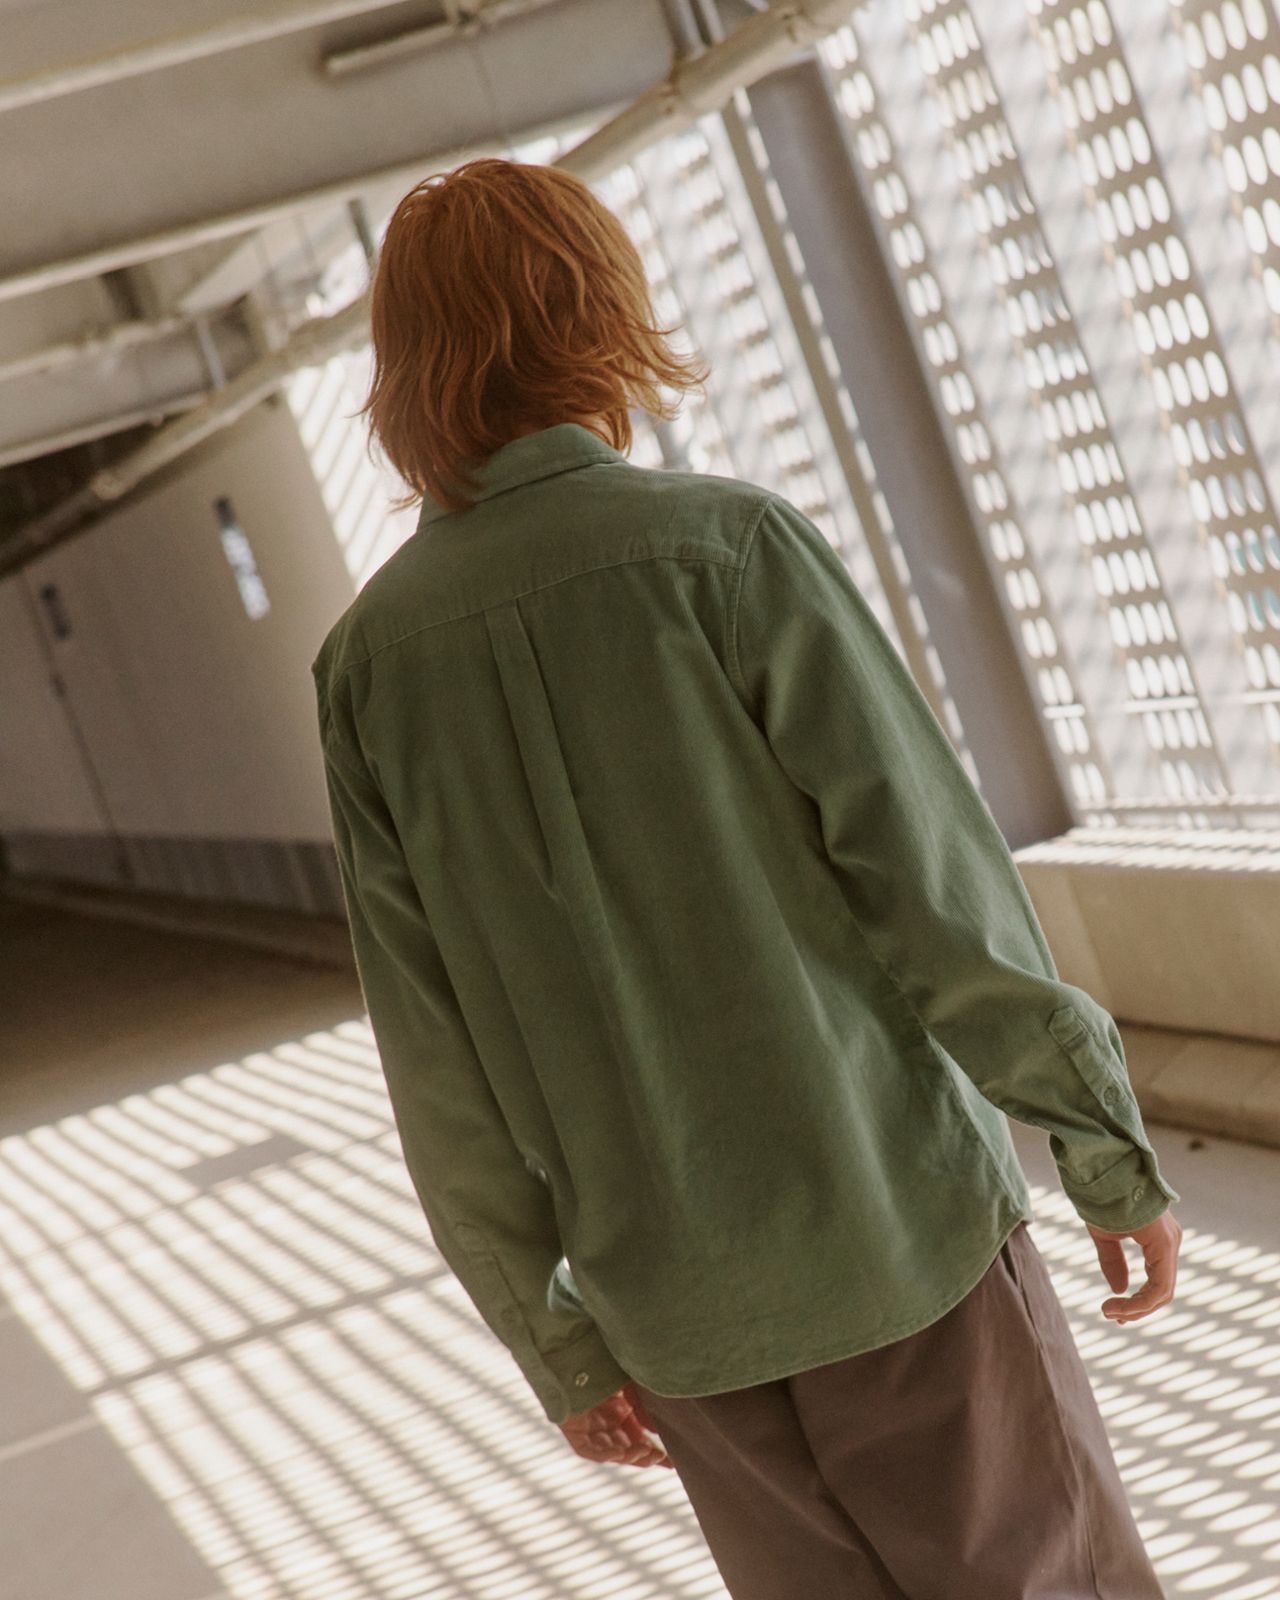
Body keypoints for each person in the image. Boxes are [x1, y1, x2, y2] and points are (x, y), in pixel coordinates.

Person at [310, 155, 1182, 1599]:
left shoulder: (367, 674)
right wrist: (1099, 1145)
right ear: (597, 311)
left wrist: (558, 1336)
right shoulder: (725, 553)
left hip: (676, 1316)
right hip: (894, 1239)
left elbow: (434, 1053)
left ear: (411, 372)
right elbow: (937, 893)